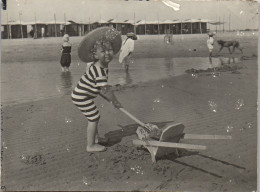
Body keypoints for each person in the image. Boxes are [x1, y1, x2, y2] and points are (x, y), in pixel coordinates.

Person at [72, 27, 122, 152]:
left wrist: (109, 99)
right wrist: (115, 101)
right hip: (81, 97)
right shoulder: (99, 70)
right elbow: (105, 89)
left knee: (94, 116)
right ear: (95, 54)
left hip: (84, 95)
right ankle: (90, 145)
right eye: (103, 51)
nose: (107, 53)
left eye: (110, 50)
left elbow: (100, 88)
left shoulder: (102, 66)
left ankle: (96, 140)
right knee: (94, 117)